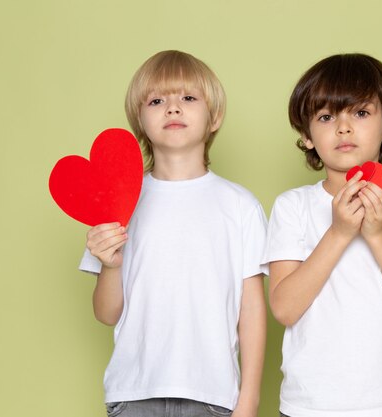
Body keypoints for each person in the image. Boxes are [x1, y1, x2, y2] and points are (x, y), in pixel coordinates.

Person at [263, 53, 382, 417]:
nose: (343, 127)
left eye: (361, 113)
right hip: (308, 406)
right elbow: (285, 308)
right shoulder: (293, 206)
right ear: (307, 136)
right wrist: (338, 234)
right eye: (325, 117)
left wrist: (379, 235)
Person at [79, 50, 267, 417]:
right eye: (157, 100)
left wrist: (250, 398)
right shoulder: (119, 201)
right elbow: (105, 313)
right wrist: (111, 266)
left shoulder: (240, 205)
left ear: (214, 118)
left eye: (189, 98)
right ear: (140, 119)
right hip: (134, 391)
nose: (173, 108)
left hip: (213, 396)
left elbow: (252, 308)